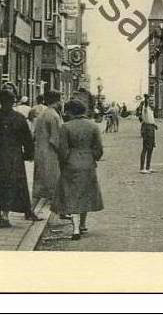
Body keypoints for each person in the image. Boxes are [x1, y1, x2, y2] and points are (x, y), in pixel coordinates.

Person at [0, 89, 42, 227]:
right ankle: (5, 215)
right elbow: (27, 139)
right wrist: (28, 154)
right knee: (11, 185)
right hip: (13, 157)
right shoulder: (19, 118)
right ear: (13, 102)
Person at [52, 98, 104, 240]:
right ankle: (82, 224)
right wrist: (92, 157)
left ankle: (75, 230)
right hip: (88, 163)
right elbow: (98, 149)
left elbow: (62, 149)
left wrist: (64, 162)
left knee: (72, 195)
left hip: (71, 163)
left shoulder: (66, 127)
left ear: (71, 112)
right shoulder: (93, 126)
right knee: (85, 193)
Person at [32, 91, 64, 210]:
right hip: (50, 154)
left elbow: (34, 134)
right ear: (57, 101)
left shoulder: (42, 114)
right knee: (54, 183)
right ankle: (61, 210)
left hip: (40, 151)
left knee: (40, 184)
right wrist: (62, 153)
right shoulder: (54, 116)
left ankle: (31, 210)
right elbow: (55, 139)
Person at [137, 95, 158, 174]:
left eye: (153, 101)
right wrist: (146, 99)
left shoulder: (151, 109)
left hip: (151, 128)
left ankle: (148, 167)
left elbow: (150, 119)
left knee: (151, 148)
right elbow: (145, 105)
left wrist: (154, 125)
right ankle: (142, 168)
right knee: (145, 148)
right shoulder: (145, 108)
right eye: (150, 101)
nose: (152, 102)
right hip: (147, 129)